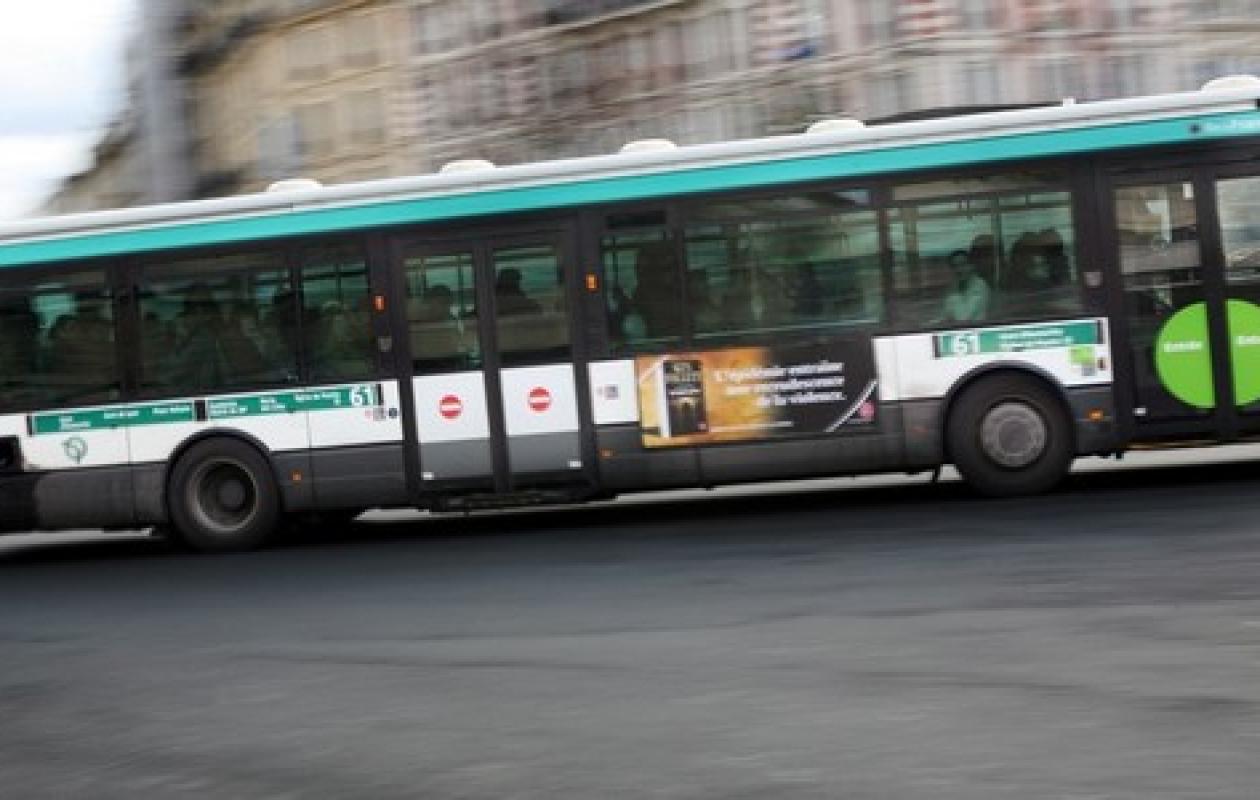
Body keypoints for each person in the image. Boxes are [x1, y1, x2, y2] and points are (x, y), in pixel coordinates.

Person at [940, 241, 992, 323]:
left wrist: (954, 293)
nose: (959, 270)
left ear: (972, 266)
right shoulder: (957, 287)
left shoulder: (979, 286)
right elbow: (945, 316)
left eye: (963, 264)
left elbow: (963, 318)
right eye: (955, 266)